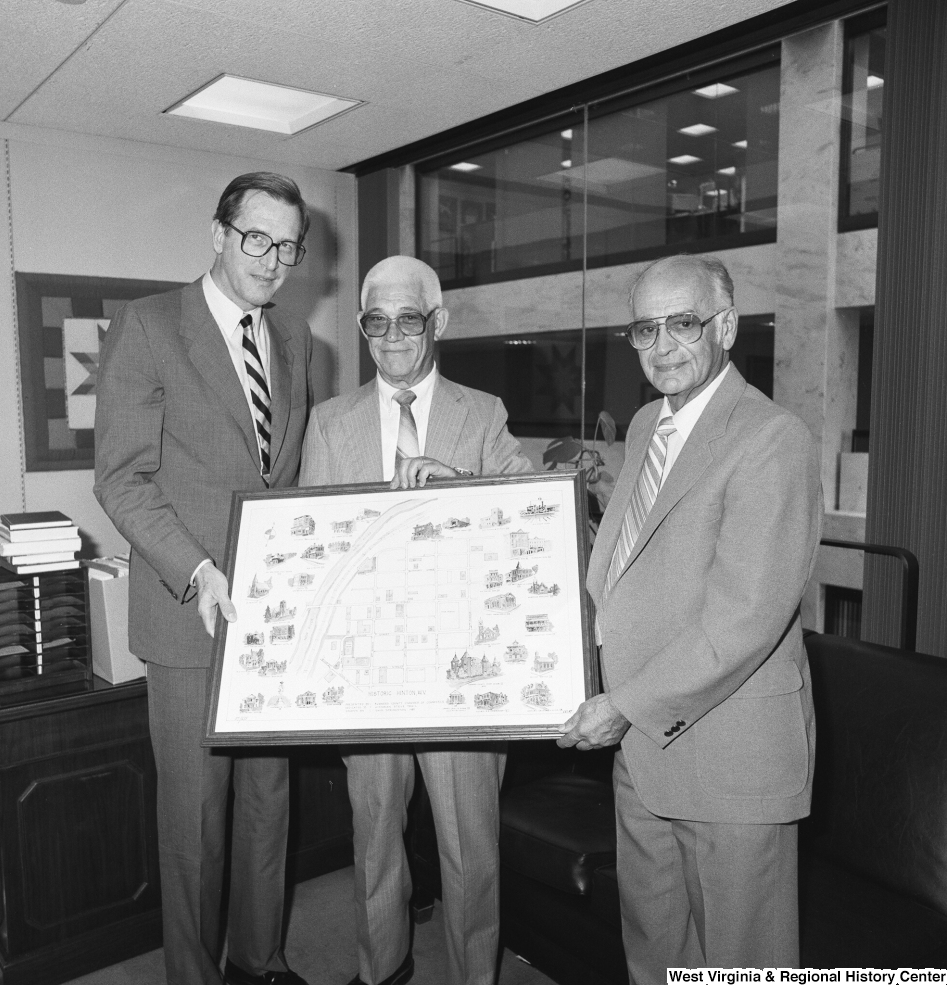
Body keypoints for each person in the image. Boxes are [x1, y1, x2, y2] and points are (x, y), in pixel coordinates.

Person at [559, 254, 822, 978]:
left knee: (740, 965)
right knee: (655, 954)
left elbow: (743, 620)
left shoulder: (773, 439)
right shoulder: (648, 423)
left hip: (728, 751)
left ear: (727, 326)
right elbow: (629, 561)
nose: (662, 345)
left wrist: (623, 704)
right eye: (645, 328)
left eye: (683, 323)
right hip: (642, 754)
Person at [94, 172, 315, 985]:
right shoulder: (150, 327)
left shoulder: (295, 343)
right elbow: (121, 477)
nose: (272, 259)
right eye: (256, 237)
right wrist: (198, 569)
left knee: (267, 807)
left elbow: (290, 484)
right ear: (218, 234)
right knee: (195, 824)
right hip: (190, 618)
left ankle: (262, 961)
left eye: (287, 245)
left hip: (269, 624)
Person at [300, 255, 533, 985]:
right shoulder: (328, 423)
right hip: (369, 677)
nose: (392, 336)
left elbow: (532, 516)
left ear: (439, 323)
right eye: (376, 320)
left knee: (472, 851)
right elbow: (310, 545)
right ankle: (382, 971)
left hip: (464, 675)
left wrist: (465, 490)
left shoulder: (483, 412)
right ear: (363, 327)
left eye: (409, 319)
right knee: (374, 843)